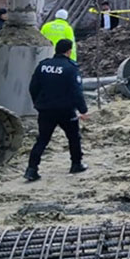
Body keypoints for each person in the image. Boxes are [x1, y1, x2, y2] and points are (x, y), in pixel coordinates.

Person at [24, 39, 88, 182]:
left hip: (46, 109)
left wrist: (38, 102)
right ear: (69, 51)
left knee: (42, 139)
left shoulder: (43, 65)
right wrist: (83, 109)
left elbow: (33, 87)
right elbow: (76, 91)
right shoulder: (71, 68)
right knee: (73, 137)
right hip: (65, 110)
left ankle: (31, 169)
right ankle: (76, 164)